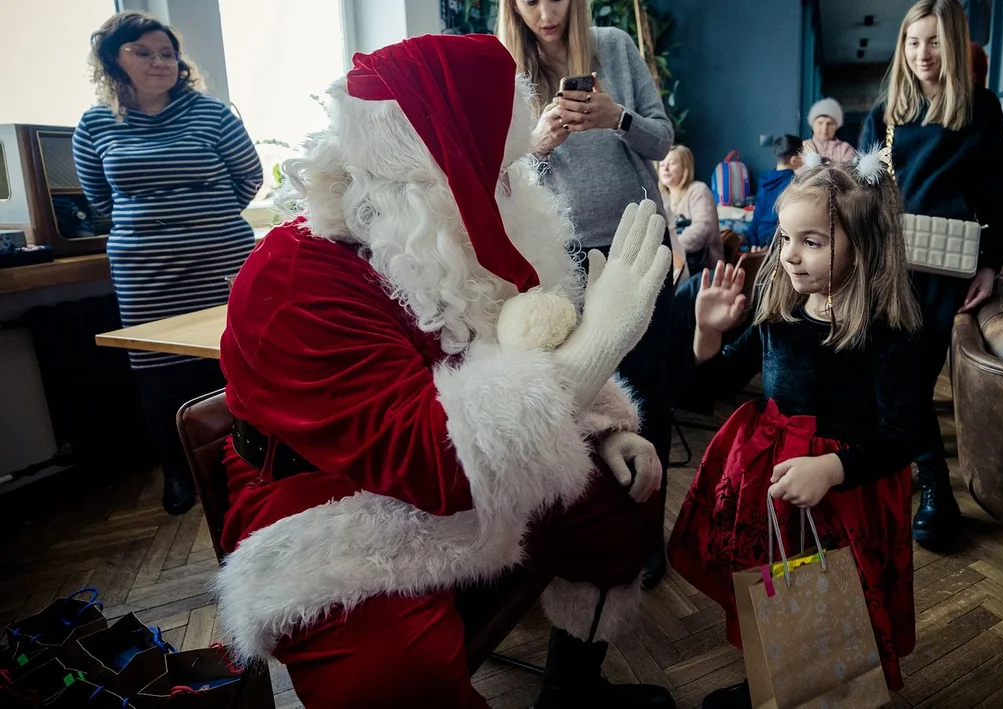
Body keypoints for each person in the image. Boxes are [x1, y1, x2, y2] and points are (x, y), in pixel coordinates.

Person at [213, 35, 677, 709]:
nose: (512, 188)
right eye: (496, 170)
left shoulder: (439, 237)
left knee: (620, 500)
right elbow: (434, 462)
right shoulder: (298, 275)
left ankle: (574, 688)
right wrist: (597, 345)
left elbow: (516, 351)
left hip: (466, 468)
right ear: (427, 168)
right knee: (394, 675)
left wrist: (603, 426)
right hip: (326, 497)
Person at [668, 158, 922, 709]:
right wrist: (705, 334)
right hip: (772, 488)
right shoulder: (778, 308)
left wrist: (830, 469)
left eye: (812, 242)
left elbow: (907, 435)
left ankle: (829, 686)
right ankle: (775, 675)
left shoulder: (886, 332)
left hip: (844, 498)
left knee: (836, 599)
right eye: (785, 238)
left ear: (864, 246)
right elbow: (711, 384)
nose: (789, 255)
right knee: (774, 589)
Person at [498, 0, 676, 588]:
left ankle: (646, 535)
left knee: (652, 394)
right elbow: (503, 180)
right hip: (563, 260)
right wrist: (538, 143)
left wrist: (617, 117)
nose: (544, 12)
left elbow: (663, 140)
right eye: (528, 0)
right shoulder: (508, 68)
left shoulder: (615, 47)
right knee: (586, 402)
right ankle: (585, 537)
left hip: (638, 245)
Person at [72, 11, 263, 515]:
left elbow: (249, 180)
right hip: (144, 267)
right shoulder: (95, 123)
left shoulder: (213, 115)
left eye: (167, 53)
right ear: (115, 60)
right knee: (156, 369)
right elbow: (99, 198)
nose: (159, 62)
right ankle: (178, 472)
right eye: (143, 52)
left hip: (221, 257)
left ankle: (244, 456)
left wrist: (201, 219)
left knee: (234, 355)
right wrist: (155, 225)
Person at [859, 0, 1003, 547]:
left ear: (954, 46)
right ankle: (925, 484)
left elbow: (996, 196)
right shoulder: (885, 114)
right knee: (891, 379)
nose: (922, 54)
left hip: (947, 270)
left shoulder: (981, 110)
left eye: (934, 41)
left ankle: (929, 485)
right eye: (912, 41)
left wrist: (992, 265)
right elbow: (862, 195)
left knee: (910, 380)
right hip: (886, 267)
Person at [659, 145, 721, 276]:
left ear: (685, 166)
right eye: (662, 164)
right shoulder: (662, 197)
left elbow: (703, 229)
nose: (665, 168)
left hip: (702, 270)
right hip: (674, 265)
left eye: (672, 163)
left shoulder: (698, 190)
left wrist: (673, 249)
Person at [749, 134, 803, 249]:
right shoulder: (794, 183)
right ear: (794, 160)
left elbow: (756, 216)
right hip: (777, 240)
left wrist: (754, 242)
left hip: (759, 237)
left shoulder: (764, 179)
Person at [801, 98, 857, 169]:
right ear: (812, 125)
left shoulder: (845, 148)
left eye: (829, 123)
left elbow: (851, 174)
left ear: (836, 126)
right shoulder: (804, 147)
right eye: (820, 123)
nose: (824, 128)